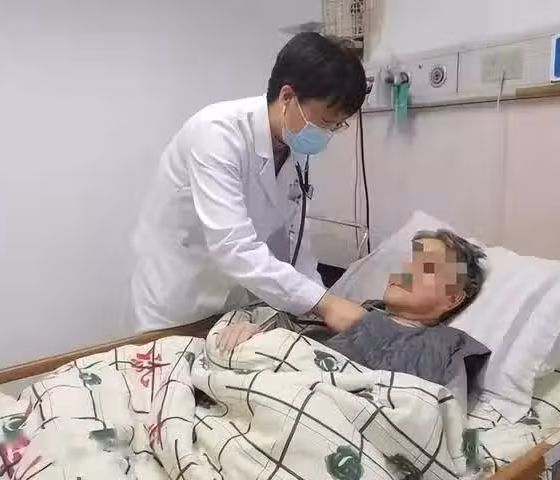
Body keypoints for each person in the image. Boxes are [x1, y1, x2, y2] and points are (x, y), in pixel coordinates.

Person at [131, 32, 367, 332]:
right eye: (324, 122)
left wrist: (319, 304)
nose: (328, 133)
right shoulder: (216, 134)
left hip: (237, 305)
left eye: (337, 125)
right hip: (180, 299)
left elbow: (297, 243)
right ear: (287, 97)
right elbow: (233, 246)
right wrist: (324, 303)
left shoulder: (294, 146)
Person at [216, 229, 490, 407]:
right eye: (409, 262)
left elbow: (415, 400)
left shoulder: (448, 344)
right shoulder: (360, 309)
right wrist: (255, 331)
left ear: (453, 299)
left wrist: (362, 325)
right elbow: (289, 328)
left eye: (427, 267)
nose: (406, 271)